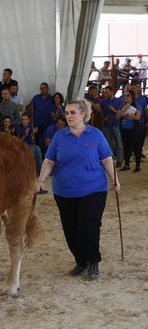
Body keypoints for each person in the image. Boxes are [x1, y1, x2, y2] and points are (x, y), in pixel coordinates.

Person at [36, 99, 119, 279]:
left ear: (83, 114)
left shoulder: (95, 134)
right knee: (71, 228)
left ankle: (93, 261)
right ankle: (80, 261)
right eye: (66, 113)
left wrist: (115, 179)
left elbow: (106, 159)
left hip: (93, 188)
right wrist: (41, 179)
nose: (68, 116)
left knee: (89, 224)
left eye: (73, 112)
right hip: (64, 190)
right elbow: (49, 160)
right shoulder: (59, 136)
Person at [117, 89, 142, 173]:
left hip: (134, 129)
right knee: (126, 147)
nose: (126, 97)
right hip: (125, 129)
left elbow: (138, 117)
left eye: (128, 95)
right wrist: (123, 109)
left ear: (132, 97)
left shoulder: (137, 105)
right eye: (125, 95)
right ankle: (127, 165)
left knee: (136, 147)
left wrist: (127, 114)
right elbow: (118, 116)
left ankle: (138, 165)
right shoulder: (123, 105)